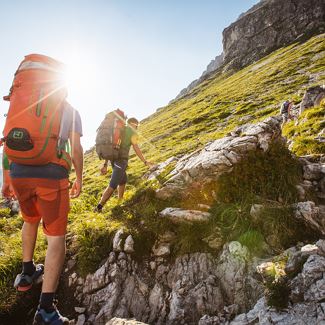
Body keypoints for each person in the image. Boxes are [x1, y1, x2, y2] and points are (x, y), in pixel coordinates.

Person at [2, 100, 83, 324]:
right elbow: (75, 148)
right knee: (56, 239)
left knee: (30, 220)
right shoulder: (71, 110)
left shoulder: (25, 104)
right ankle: (46, 309)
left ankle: (27, 273)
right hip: (51, 174)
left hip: (19, 173)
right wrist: (79, 177)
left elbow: (8, 143)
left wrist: (7, 178)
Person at [95, 117, 153, 212]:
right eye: (136, 125)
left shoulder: (120, 130)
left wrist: (105, 164)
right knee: (112, 185)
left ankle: (120, 201)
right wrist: (145, 161)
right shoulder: (132, 131)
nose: (137, 127)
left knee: (123, 180)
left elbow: (111, 148)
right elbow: (136, 147)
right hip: (121, 161)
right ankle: (98, 207)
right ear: (133, 123)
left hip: (114, 160)